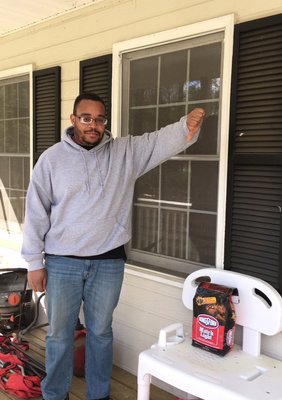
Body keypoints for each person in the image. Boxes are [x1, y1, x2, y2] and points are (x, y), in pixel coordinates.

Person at [21, 92, 205, 400]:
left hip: (108, 263)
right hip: (62, 262)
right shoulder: (52, 159)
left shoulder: (125, 153)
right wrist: (34, 262)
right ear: (73, 120)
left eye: (100, 119)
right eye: (86, 118)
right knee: (58, 336)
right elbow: (36, 211)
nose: (94, 125)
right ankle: (55, 394)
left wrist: (186, 126)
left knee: (101, 334)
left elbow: (157, 142)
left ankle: (99, 395)